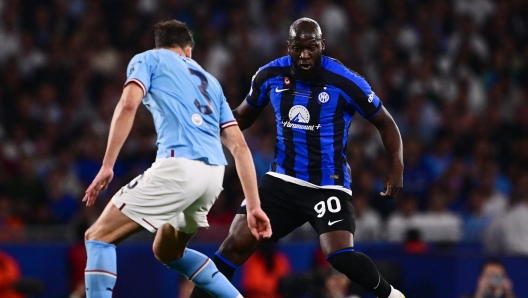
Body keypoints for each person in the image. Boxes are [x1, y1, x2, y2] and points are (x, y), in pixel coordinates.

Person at [191, 18, 404, 298]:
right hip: (282, 181)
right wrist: (205, 129)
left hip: (327, 183)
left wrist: (397, 165)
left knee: (339, 255)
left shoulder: (346, 81)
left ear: (322, 47)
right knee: (234, 245)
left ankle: (391, 295)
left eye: (311, 47)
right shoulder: (269, 76)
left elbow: (385, 122)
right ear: (288, 47)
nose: (305, 54)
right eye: (298, 47)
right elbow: (242, 116)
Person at [82, 20, 271, 298]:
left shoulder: (148, 59)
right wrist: (254, 205)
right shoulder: (211, 82)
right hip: (212, 176)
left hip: (178, 167)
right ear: (188, 51)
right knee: (167, 251)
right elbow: (241, 148)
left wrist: (107, 164)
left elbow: (128, 103)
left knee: (98, 236)